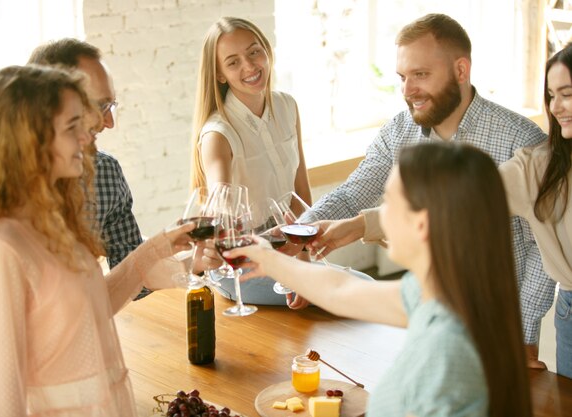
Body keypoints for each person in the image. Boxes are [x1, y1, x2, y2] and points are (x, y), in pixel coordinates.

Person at [305, 13, 553, 368]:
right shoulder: (400, 130)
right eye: (403, 77)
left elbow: (540, 250)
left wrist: (524, 334)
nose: (407, 91)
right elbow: (351, 194)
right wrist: (295, 233)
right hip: (424, 317)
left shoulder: (521, 140)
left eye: (420, 75)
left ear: (461, 71)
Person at [0, 65, 193, 416]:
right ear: (29, 139)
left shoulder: (54, 223)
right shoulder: (0, 247)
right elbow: (5, 393)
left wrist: (159, 247)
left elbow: (92, 310)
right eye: (72, 127)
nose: (87, 136)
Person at [226, 142, 532, 416]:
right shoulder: (443, 294)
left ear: (421, 224)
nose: (380, 216)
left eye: (388, 203)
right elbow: (340, 289)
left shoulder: (445, 351)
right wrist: (268, 259)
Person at [190, 17, 370, 308]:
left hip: (285, 249)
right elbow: (221, 214)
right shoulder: (217, 134)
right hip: (240, 263)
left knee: (363, 290)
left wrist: (303, 257)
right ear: (220, 74)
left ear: (267, 51)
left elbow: (300, 190)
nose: (249, 66)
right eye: (233, 62)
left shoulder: (287, 106)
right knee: (358, 294)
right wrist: (297, 270)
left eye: (253, 52)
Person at [499, 43, 572, 379]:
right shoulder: (537, 168)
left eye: (567, 94)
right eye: (551, 95)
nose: (556, 107)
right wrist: (361, 225)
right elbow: (459, 199)